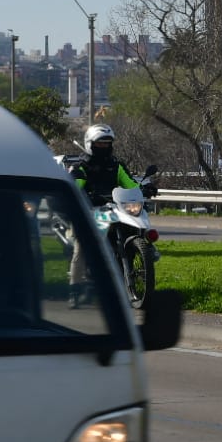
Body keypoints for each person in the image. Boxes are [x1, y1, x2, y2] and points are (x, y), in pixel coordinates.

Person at [67, 123, 141, 307]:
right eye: (100, 143)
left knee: (135, 230)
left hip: (115, 209)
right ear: (90, 144)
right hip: (91, 212)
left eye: (107, 143)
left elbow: (130, 184)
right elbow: (77, 186)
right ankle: (74, 291)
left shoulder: (116, 165)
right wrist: (85, 194)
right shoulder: (82, 166)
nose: (104, 147)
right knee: (81, 250)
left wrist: (143, 189)